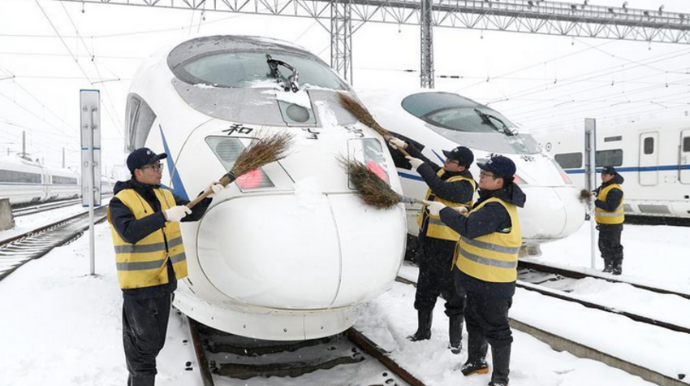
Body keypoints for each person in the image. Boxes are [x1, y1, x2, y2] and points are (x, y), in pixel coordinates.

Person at [107, 147, 224, 386]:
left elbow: (191, 212)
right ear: (138, 172)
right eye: (154, 167)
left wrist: (209, 193)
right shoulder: (120, 201)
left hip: (165, 283)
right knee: (142, 351)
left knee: (152, 345)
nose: (159, 171)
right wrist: (164, 217)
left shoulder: (165, 195)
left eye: (160, 166)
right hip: (139, 288)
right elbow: (129, 232)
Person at [427, 155, 525, 386]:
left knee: (497, 330)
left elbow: (470, 229)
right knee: (474, 321)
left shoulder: (498, 207)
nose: (480, 176)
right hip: (476, 279)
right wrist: (464, 211)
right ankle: (476, 362)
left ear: (500, 181)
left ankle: (500, 379)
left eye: (485, 175)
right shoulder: (490, 200)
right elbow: (478, 223)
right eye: (481, 173)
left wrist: (444, 211)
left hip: (492, 283)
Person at [389, 137, 477, 354]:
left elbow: (439, 188)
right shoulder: (444, 172)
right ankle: (422, 331)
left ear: (462, 167)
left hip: (449, 248)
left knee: (453, 294)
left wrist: (421, 169)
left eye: (451, 160)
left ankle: (455, 341)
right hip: (429, 242)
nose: (446, 162)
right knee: (425, 289)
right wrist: (406, 147)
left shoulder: (465, 186)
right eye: (447, 158)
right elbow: (425, 161)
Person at [593, 166, 625, 275]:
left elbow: (611, 207)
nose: (602, 177)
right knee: (603, 245)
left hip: (614, 224)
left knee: (614, 246)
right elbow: (597, 193)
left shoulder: (615, 189)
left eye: (605, 175)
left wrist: (596, 202)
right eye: (602, 174)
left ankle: (617, 267)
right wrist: (591, 194)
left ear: (612, 175)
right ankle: (608, 266)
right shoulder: (604, 186)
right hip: (604, 223)